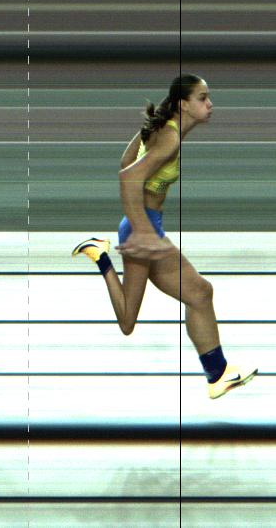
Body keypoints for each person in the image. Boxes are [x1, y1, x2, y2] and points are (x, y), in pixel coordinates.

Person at [72, 74, 258, 399]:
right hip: (142, 228)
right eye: (202, 98)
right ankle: (99, 255)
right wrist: (144, 232)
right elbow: (128, 177)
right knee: (129, 321)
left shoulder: (165, 130)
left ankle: (218, 374)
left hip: (145, 225)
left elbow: (126, 160)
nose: (210, 104)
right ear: (184, 104)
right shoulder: (169, 138)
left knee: (200, 293)